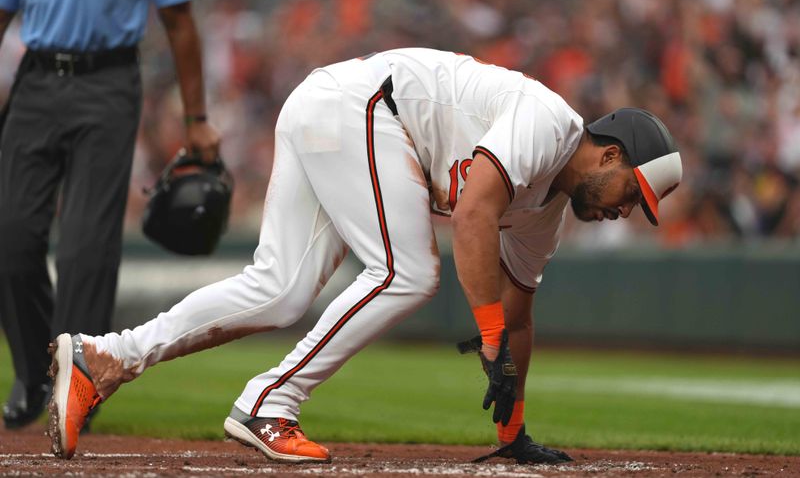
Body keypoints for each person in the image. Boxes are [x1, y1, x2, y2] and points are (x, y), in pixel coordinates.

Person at [47, 48, 682, 463]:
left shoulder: (546, 216)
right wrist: (488, 339)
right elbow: (473, 213)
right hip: (362, 108)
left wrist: (512, 431)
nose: (628, 210)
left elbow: (518, 317)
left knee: (280, 289)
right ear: (610, 154)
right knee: (407, 273)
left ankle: (105, 358)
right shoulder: (553, 123)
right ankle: (271, 403)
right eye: (635, 192)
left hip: (336, 112)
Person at [0, 0, 220, 429]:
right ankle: (34, 371)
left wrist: (196, 120)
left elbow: (179, 19)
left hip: (109, 83)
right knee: (10, 235)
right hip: (35, 81)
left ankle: (77, 385)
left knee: (86, 245)